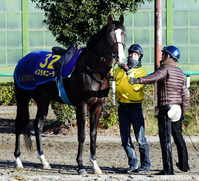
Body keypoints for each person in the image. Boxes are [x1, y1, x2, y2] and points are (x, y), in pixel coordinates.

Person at [128, 45, 190, 175]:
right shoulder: (180, 72)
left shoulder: (165, 68)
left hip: (166, 108)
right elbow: (185, 93)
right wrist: (184, 111)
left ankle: (168, 169)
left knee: (165, 139)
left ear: (168, 56)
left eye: (163, 54)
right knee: (179, 138)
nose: (161, 56)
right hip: (178, 109)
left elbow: (153, 78)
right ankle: (184, 165)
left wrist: (138, 80)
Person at [115, 44, 151, 173]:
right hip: (122, 106)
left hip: (135, 107)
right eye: (130, 53)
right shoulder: (119, 70)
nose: (131, 56)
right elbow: (110, 77)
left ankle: (145, 165)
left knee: (140, 139)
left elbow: (135, 86)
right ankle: (133, 163)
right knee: (125, 139)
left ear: (139, 57)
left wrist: (127, 70)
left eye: (134, 54)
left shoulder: (142, 72)